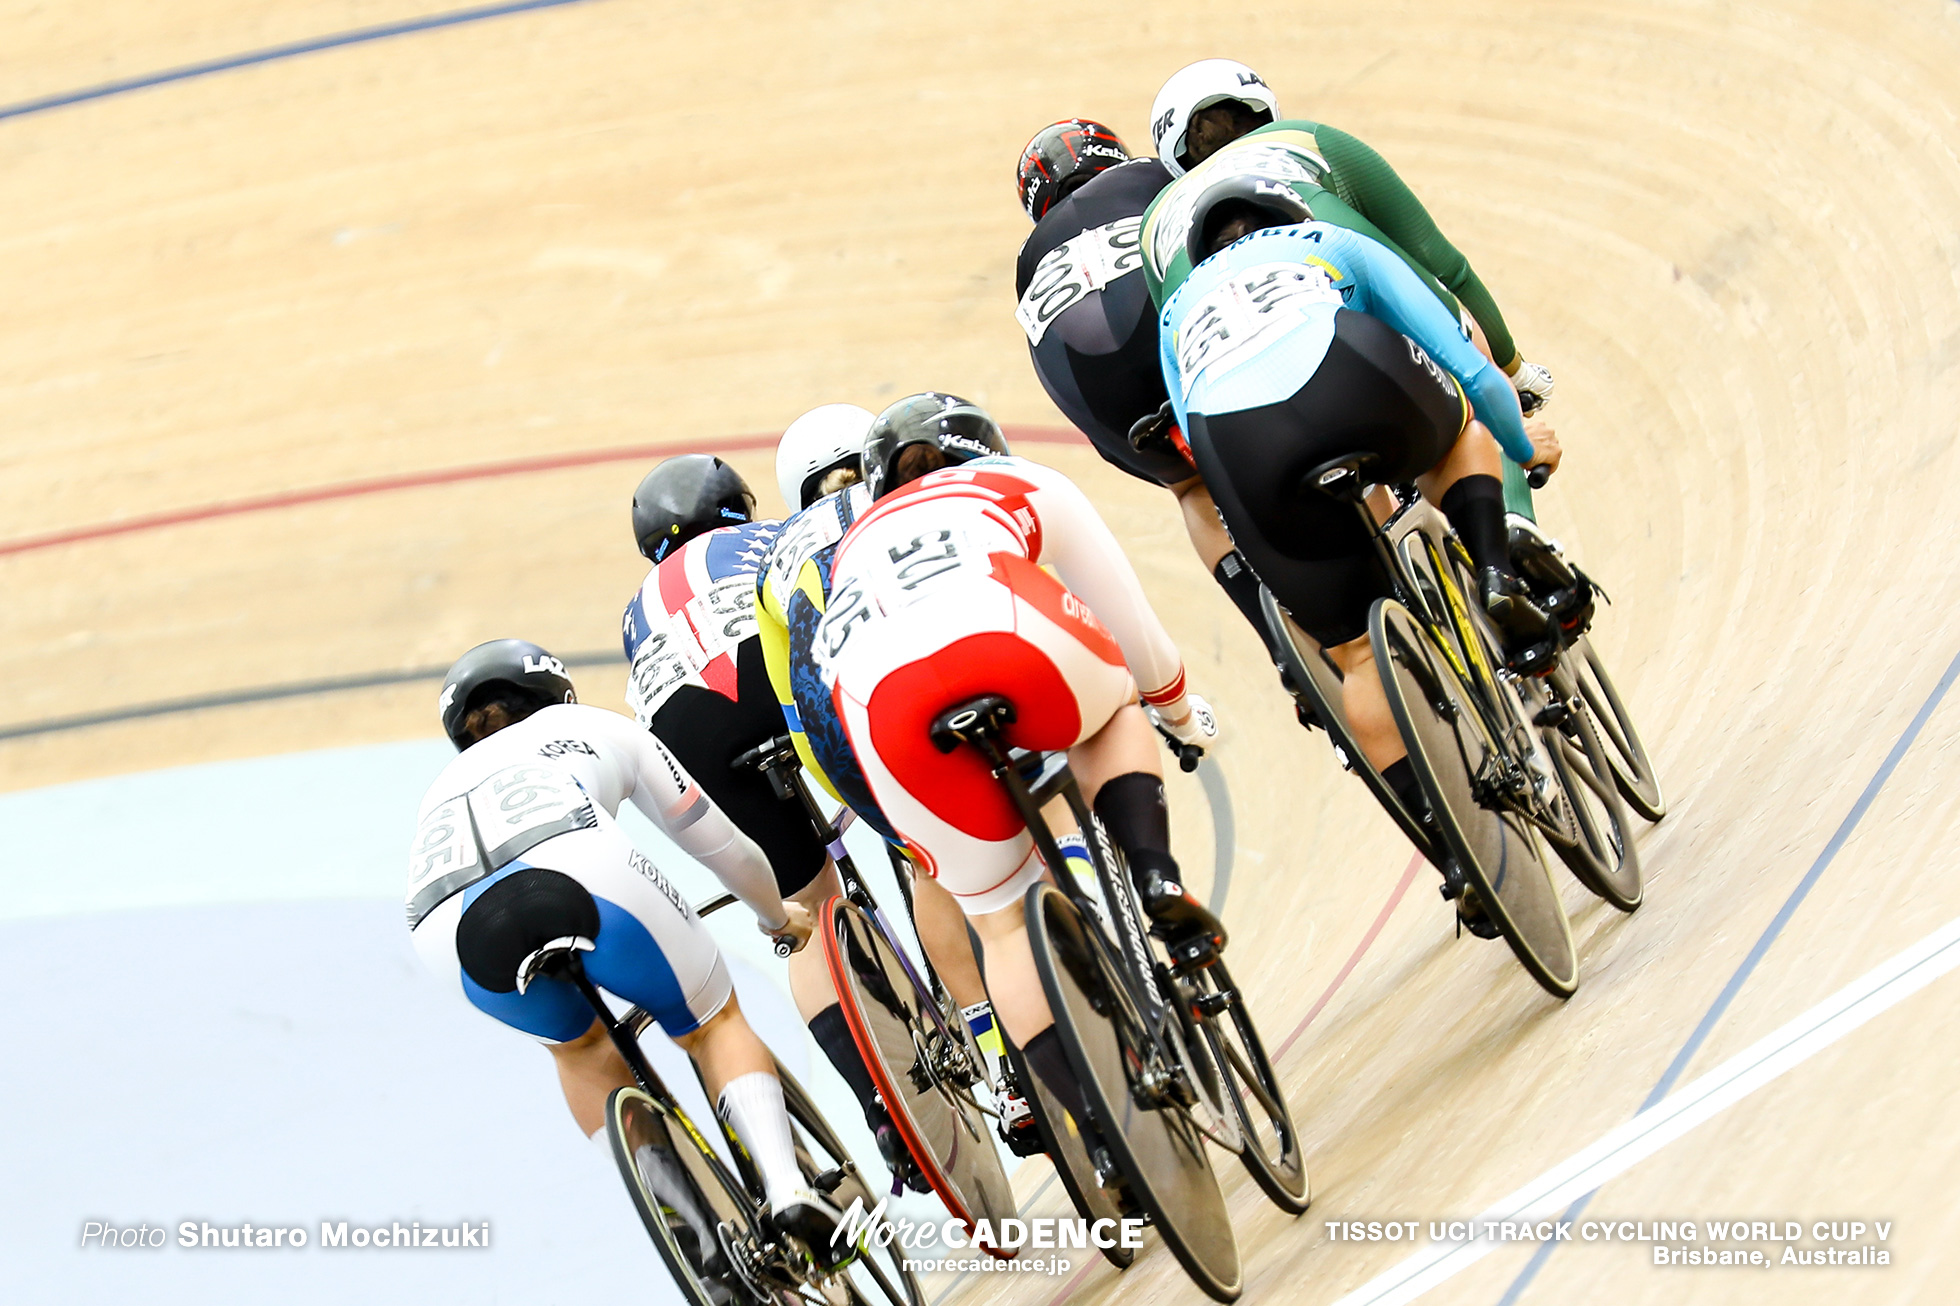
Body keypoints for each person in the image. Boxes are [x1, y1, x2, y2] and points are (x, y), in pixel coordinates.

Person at [1157, 183, 1565, 932]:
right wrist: (1518, 443)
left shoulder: (1178, 312)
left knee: (1356, 657)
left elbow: (1194, 442)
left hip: (1243, 451)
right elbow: (1462, 364)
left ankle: (1454, 856)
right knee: (1459, 427)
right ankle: (1496, 574)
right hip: (1350, 377)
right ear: (1290, 224)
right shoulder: (1334, 246)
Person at [811, 392, 1220, 1120]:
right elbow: (1133, 629)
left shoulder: (850, 551)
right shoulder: (1011, 480)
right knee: (1117, 709)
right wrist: (1178, 714)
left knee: (999, 922)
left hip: (886, 718)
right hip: (1007, 644)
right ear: (984, 446)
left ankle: (1099, 1137)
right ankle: (1155, 881)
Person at [405, 639, 839, 1247]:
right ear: (556, 693)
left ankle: (698, 1234)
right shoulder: (585, 724)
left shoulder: (438, 791)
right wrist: (774, 916)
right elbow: (722, 847)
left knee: (580, 1052)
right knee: (711, 1024)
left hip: (446, 928)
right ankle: (788, 1189)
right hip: (581, 869)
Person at [623, 451, 918, 1181]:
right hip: (774, 668)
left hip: (685, 727)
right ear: (736, 507)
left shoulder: (634, 613)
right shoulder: (766, 535)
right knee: (925, 830)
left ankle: (880, 1113)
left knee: (807, 920)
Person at [757, 404, 1035, 1153]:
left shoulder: (776, 557)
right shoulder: (912, 483)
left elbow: (792, 699)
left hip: (843, 731)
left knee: (929, 863)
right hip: (938, 662)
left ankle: (1002, 1066)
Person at [1013, 118, 1288, 667]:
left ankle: (1275, 641)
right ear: (1111, 155)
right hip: (1186, 349)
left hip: (1114, 410)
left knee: (1191, 490)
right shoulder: (1148, 175)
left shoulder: (1027, 261)